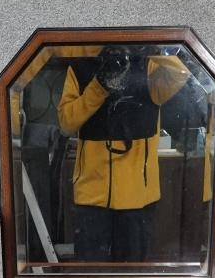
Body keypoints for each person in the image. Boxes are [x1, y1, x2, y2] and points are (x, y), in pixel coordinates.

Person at [57, 45, 192, 261]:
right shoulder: (81, 66)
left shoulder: (150, 66)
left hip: (138, 196)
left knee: (134, 273)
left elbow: (181, 73)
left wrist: (151, 47)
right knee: (91, 273)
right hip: (93, 195)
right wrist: (100, 85)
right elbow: (66, 124)